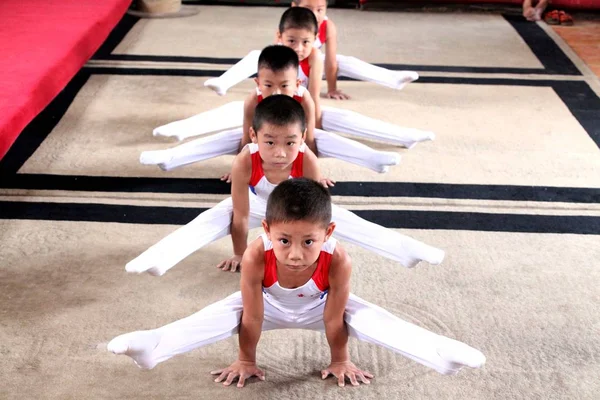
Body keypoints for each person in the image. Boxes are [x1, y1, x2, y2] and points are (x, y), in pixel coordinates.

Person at [108, 178, 486, 387]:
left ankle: (439, 353)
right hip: (266, 306)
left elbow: (334, 319)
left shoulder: (337, 258)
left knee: (371, 318)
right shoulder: (258, 254)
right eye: (284, 241)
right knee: (218, 314)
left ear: (329, 233)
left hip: (321, 307)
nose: (294, 254)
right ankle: (153, 345)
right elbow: (252, 317)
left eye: (309, 242)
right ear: (268, 230)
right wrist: (245, 359)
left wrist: (340, 360)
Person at [126, 95, 444, 276]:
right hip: (253, 204)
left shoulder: (306, 160)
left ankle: (407, 250)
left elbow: (314, 215)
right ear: (254, 138)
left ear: (302, 139)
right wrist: (239, 254)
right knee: (207, 220)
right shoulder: (244, 161)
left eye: (290, 142)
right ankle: (159, 258)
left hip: (297, 207)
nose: (280, 152)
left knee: (347, 221)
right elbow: (239, 214)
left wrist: (304, 248)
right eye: (270, 142)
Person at [141, 45, 403, 175]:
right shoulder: (252, 101)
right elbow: (246, 139)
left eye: (284, 86)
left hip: (294, 139)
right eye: (268, 85)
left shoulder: (304, 98)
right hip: (262, 138)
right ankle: (172, 157)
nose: (276, 92)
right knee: (225, 139)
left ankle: (373, 158)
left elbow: (309, 138)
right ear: (257, 83)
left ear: (297, 84)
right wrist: (240, 170)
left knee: (327, 139)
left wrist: (310, 173)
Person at [203, 1, 418, 99]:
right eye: (309, 9)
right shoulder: (289, 25)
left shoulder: (327, 26)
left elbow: (331, 61)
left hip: (314, 66)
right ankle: (224, 81)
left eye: (320, 9)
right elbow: (275, 61)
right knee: (257, 56)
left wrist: (331, 88)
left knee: (344, 60)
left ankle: (393, 78)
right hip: (289, 69)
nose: (315, 15)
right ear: (295, 7)